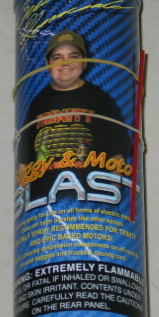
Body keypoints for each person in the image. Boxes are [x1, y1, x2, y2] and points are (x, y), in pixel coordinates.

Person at [17, 30, 131, 199]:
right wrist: (24, 201)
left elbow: (117, 155)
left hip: (93, 199)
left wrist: (113, 196)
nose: (66, 63)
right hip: (45, 205)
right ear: (47, 63)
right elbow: (23, 163)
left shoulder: (101, 100)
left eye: (73, 56)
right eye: (58, 57)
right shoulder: (38, 103)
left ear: (84, 62)